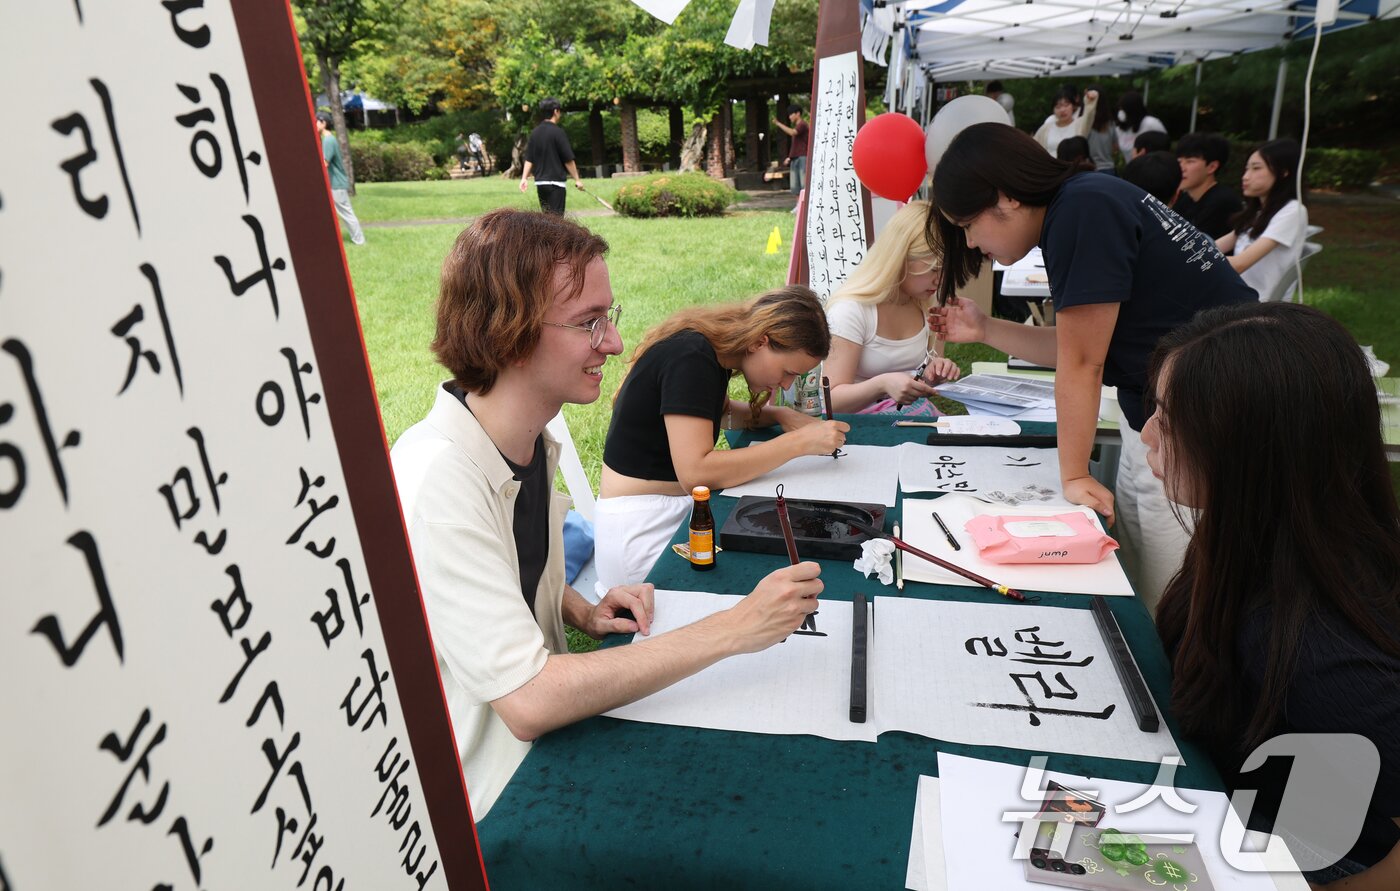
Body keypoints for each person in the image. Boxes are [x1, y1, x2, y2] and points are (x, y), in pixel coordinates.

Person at [390, 209, 825, 819]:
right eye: (589, 323)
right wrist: (734, 627)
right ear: (506, 332)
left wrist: (579, 609)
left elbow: (499, 567)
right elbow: (529, 699)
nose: (615, 343)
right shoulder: (438, 478)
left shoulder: (526, 440)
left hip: (547, 753)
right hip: (491, 801)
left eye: (608, 317)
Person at [925, 122, 1255, 611]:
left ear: (1006, 198)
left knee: (1172, 584)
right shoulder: (1082, 201)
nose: (972, 243)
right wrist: (987, 329)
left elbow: (1083, 362)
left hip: (1205, 409)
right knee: (1139, 557)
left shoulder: (1081, 211)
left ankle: (1179, 678)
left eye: (969, 225)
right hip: (1164, 403)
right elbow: (1079, 344)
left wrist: (1075, 474)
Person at [1146, 302, 1400, 887]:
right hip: (1241, 820)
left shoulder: (1325, 657)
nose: (1147, 434)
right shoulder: (1255, 542)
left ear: (1247, 452)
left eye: (1169, 417)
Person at [594, 287, 848, 593]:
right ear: (760, 341)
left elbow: (722, 413)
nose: (786, 383)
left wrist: (780, 415)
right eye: (787, 372)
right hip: (642, 529)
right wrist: (797, 444)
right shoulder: (691, 357)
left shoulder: (710, 353)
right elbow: (696, 474)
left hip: (665, 509)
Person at [825, 201, 962, 414]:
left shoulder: (926, 306)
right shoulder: (852, 311)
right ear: (900, 258)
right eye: (933, 269)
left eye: (945, 271)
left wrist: (933, 375)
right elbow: (830, 400)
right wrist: (881, 384)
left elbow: (923, 380)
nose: (940, 280)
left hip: (905, 419)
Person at [1215, 138, 1308, 302]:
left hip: (1258, 304)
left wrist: (1196, 260)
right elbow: (1214, 247)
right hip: (1237, 297)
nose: (1245, 177)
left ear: (1284, 172)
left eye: (1256, 169)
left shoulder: (1293, 211)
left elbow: (1239, 264)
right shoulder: (1258, 212)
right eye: (1246, 169)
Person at [519, 98, 583, 215]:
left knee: (547, 220)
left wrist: (524, 178)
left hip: (541, 184)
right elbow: (568, 160)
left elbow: (529, 159)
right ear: (555, 111)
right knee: (557, 222)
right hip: (556, 184)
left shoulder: (535, 133)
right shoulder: (558, 133)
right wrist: (577, 180)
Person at [1173, 132, 1241, 239]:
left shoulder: (1222, 202)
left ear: (1212, 167)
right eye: (1179, 161)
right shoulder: (1185, 199)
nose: (1181, 168)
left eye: (1190, 161)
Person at [316, 111, 364, 246]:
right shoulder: (327, 139)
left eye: (316, 122)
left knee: (346, 212)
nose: (314, 125)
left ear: (323, 123)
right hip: (332, 183)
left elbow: (325, 162)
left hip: (336, 183)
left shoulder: (328, 140)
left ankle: (359, 241)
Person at [1034, 86, 1099, 157]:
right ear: (1053, 110)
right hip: (1050, 167)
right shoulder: (1045, 128)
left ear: (1073, 106)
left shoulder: (1080, 124)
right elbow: (1033, 146)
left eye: (1066, 105)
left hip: (1073, 167)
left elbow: (1089, 113)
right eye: (1058, 107)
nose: (1062, 110)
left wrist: (1090, 99)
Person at [1113, 91, 1167, 159]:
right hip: (1132, 167)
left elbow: (1165, 144)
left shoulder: (1151, 123)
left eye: (1123, 110)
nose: (1121, 113)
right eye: (1120, 109)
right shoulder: (1120, 129)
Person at [772, 104, 810, 197]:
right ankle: (798, 206)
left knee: (803, 185)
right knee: (795, 186)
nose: (789, 117)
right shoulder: (798, 126)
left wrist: (778, 123)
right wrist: (789, 157)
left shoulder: (802, 124)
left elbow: (793, 132)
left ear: (798, 114)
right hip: (795, 157)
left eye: (791, 114)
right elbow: (796, 145)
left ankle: (803, 207)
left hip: (802, 157)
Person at [1083, 84, 1117, 172]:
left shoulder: (1085, 123)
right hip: (1109, 168)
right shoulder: (1111, 123)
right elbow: (1115, 148)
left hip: (1090, 168)